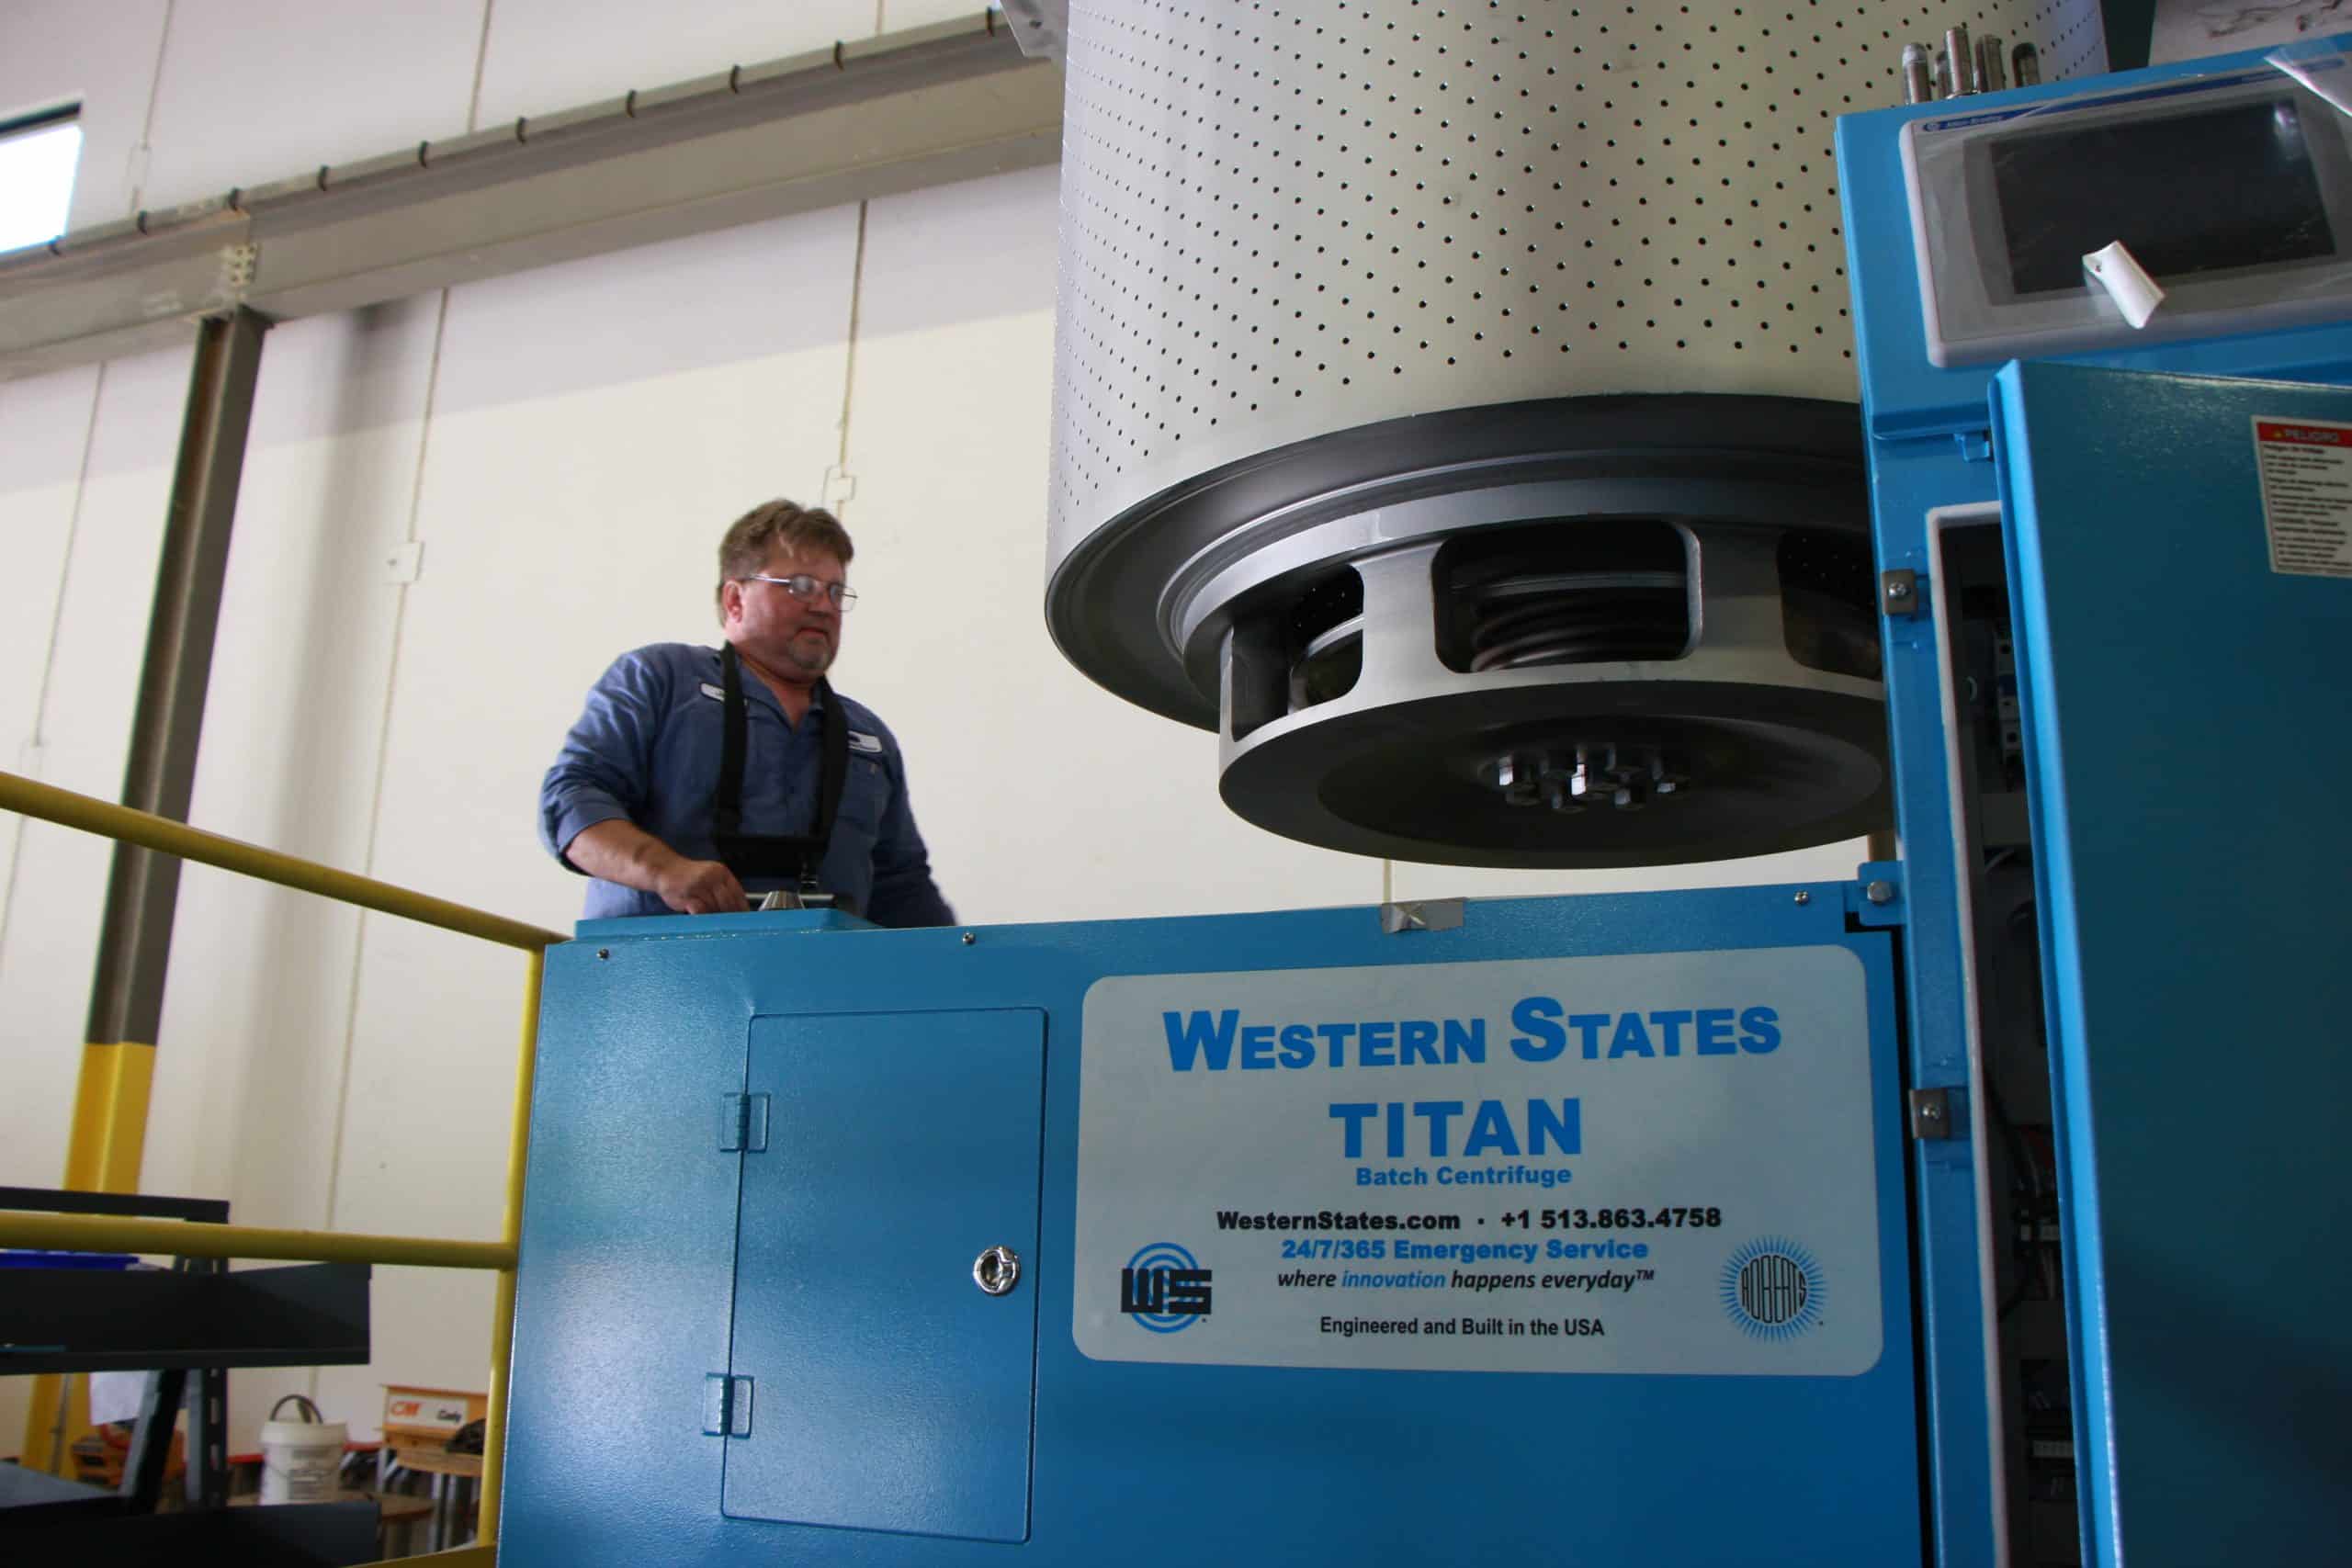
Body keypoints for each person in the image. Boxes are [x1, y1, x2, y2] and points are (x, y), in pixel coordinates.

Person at [538, 500, 954, 925]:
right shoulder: (660, 679)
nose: (824, 606)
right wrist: (665, 870)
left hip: (825, 984)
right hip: (655, 977)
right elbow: (571, 801)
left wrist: (970, 974)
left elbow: (902, 886)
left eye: (835, 591)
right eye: (801, 586)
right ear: (735, 599)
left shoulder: (869, 737)